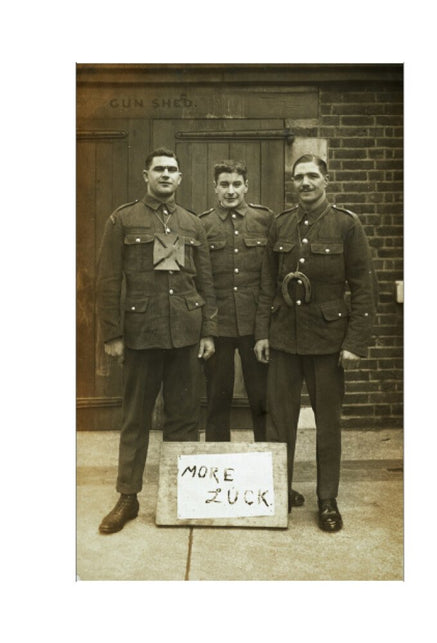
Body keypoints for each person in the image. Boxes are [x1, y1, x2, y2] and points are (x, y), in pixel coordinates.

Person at [96, 147, 217, 534]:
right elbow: (108, 281)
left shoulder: (192, 224)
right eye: (159, 169)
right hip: (141, 335)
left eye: (173, 170)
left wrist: (208, 331)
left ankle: (182, 494)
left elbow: (206, 282)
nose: (166, 175)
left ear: (180, 178)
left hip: (184, 333)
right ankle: (128, 497)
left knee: (184, 418)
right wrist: (113, 334)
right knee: (135, 418)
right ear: (145, 174)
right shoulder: (123, 219)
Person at [254, 153, 376, 529]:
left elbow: (363, 288)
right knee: (279, 423)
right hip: (284, 341)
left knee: (328, 424)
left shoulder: (346, 225)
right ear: (293, 183)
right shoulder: (282, 224)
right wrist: (262, 333)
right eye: (298, 177)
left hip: (327, 343)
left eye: (311, 176)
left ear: (326, 180)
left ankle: (327, 501)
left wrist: (355, 342)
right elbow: (267, 285)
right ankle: (278, 495)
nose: (305, 183)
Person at [199, 160, 305, 509]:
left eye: (237, 184)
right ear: (215, 187)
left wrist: (263, 334)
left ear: (247, 186)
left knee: (264, 404)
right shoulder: (203, 225)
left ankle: (270, 481)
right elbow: (204, 283)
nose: (230, 190)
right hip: (218, 329)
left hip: (256, 331)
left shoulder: (265, 220)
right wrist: (209, 333)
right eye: (224, 184)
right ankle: (216, 487)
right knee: (217, 403)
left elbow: (269, 281)